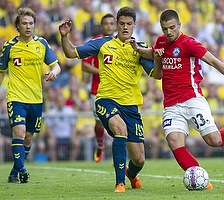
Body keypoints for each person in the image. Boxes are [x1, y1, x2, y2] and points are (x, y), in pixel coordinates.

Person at [127, 9, 224, 190]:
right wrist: (138, 49)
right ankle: (201, 181)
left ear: (180, 25)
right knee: (174, 142)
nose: (169, 32)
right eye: (165, 28)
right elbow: (153, 54)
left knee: (214, 141)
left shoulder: (189, 43)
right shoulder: (161, 42)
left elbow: (214, 61)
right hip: (171, 105)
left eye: (172, 27)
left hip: (192, 100)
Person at [59, 7, 154, 192]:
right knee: (120, 129)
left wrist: (156, 58)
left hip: (131, 105)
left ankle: (131, 174)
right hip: (106, 99)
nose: (125, 27)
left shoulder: (140, 48)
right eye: (122, 24)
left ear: (135, 25)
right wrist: (64, 36)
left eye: (129, 24)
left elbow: (155, 74)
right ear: (117, 24)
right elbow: (71, 53)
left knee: (139, 159)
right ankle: (120, 183)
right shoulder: (102, 43)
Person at [0, 7, 61, 183]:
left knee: (28, 138)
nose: (28, 26)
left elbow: (56, 65)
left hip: (36, 98)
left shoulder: (41, 44)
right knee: (18, 132)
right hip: (16, 97)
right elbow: (1, 72)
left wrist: (54, 72)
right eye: (24, 23)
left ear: (35, 25)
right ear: (17, 26)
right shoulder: (9, 46)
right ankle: (23, 170)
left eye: (31, 23)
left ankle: (14, 172)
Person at [81, 13, 116, 163]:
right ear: (101, 26)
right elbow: (84, 65)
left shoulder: (121, 42)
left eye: (111, 23)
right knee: (99, 122)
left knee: (118, 122)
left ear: (115, 25)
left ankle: (118, 151)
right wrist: (102, 71)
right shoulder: (95, 42)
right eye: (106, 24)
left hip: (117, 89)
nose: (109, 26)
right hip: (98, 90)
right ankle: (100, 144)